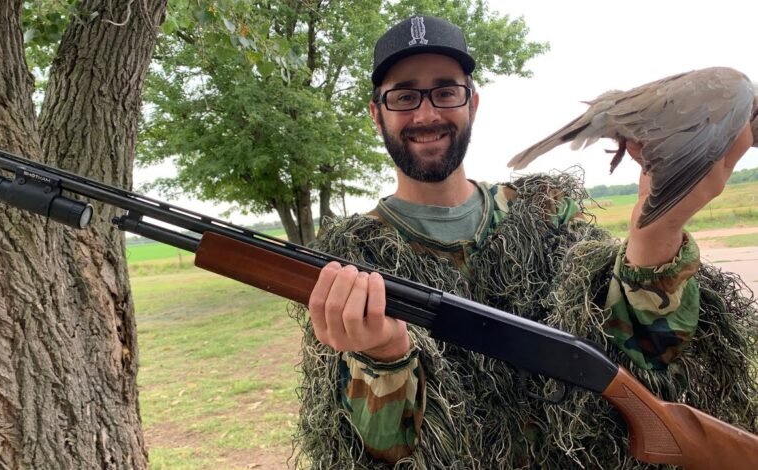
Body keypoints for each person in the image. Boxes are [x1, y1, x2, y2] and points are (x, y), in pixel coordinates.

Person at [293, 15, 758, 469]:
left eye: (445, 91)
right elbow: (378, 453)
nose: (427, 113)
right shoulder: (347, 262)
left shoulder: (547, 211)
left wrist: (656, 234)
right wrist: (384, 359)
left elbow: (644, 355)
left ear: (472, 103)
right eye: (404, 96)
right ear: (376, 114)